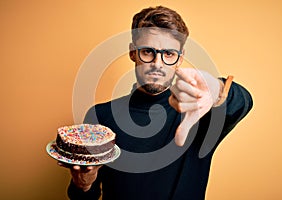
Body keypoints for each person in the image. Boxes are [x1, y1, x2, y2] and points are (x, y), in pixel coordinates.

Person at [58, 5, 253, 200]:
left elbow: (243, 102)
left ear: (180, 58)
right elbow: (83, 196)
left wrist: (216, 88)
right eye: (148, 52)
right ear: (133, 52)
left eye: (168, 54)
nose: (157, 64)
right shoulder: (100, 115)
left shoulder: (198, 112)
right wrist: (83, 185)